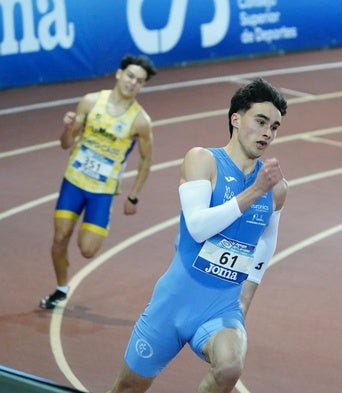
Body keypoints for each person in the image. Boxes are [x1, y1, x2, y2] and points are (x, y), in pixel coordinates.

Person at [107, 78, 288, 393]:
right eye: (260, 121)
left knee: (230, 367)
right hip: (173, 303)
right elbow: (198, 226)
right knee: (127, 388)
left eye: (274, 127)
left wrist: (245, 297)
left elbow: (267, 242)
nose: (267, 133)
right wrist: (255, 191)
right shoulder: (202, 160)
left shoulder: (278, 190)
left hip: (222, 307)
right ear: (235, 118)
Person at [39, 54, 157, 309]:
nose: (132, 83)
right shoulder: (91, 102)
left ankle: (97, 223)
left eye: (139, 81)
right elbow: (65, 144)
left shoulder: (140, 121)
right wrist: (68, 128)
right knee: (60, 238)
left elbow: (146, 160)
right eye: (130, 76)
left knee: (88, 250)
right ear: (118, 74)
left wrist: (134, 195)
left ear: (143, 86)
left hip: (102, 192)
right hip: (74, 181)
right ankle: (61, 288)